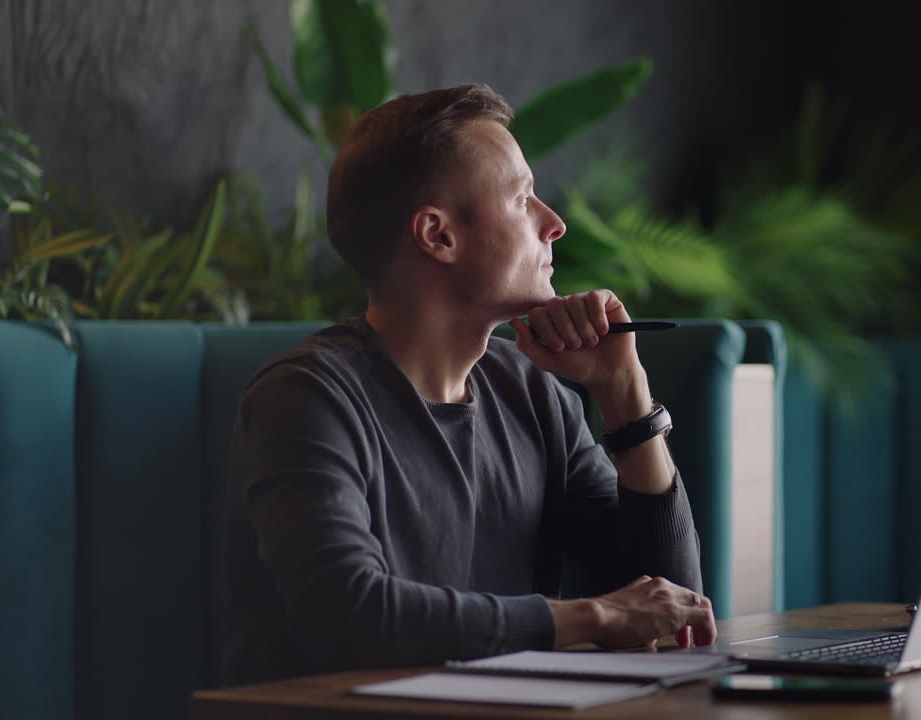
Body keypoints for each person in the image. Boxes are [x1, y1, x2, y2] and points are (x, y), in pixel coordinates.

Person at [222, 83, 716, 685]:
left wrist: (622, 391)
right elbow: (346, 615)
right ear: (438, 235)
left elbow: (672, 607)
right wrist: (591, 617)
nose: (554, 223)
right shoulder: (305, 398)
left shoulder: (533, 395)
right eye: (522, 198)